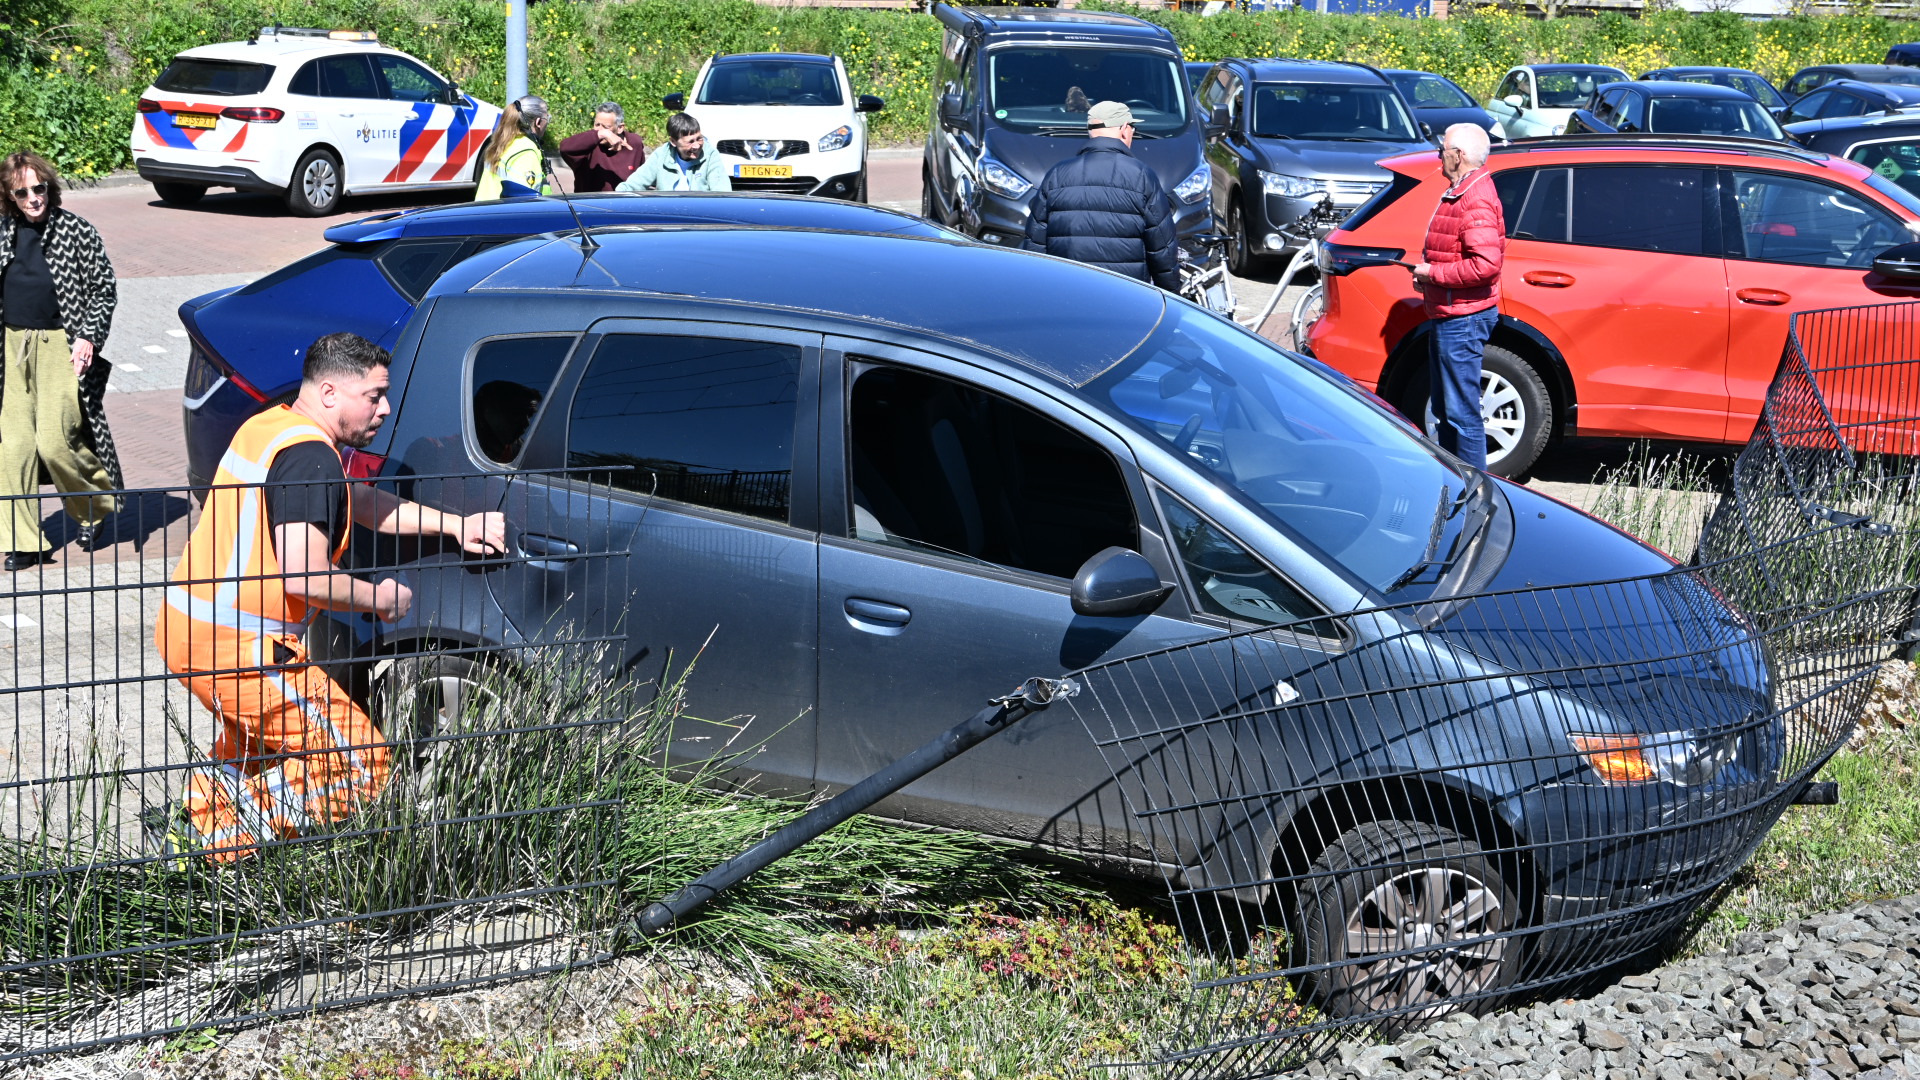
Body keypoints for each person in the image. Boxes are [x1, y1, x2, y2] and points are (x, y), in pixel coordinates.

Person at [153, 332, 506, 862]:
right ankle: (215, 845)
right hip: (243, 648)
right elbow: (305, 576)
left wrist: (456, 526)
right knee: (362, 764)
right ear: (330, 393)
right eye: (374, 396)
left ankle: (194, 834)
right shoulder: (309, 457)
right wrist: (378, 599)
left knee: (249, 752)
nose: (385, 409)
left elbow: (357, 502)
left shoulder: (272, 427)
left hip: (192, 629)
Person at [0, 150, 123, 570]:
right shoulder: (2, 232)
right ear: (10, 196)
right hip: (10, 350)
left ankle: (94, 508)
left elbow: (104, 290)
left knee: (56, 442)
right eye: (23, 191)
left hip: (61, 348)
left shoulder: (76, 232)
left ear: (50, 187)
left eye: (39, 188)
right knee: (13, 449)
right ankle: (24, 540)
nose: (33, 197)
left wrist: (88, 336)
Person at [1411, 122, 1504, 472]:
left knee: (1461, 414)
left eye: (1443, 149)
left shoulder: (1475, 197)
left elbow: (1485, 266)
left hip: (1462, 318)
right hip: (1452, 312)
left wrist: (1434, 274)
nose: (1439, 154)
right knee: (1447, 411)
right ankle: (1457, 482)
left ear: (1459, 155)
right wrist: (1432, 278)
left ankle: (1476, 492)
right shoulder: (1463, 190)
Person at [1021, 100, 1178, 292]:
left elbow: (1035, 242)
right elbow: (1162, 246)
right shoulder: (1141, 175)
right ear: (1124, 129)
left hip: (1066, 290)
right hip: (1127, 293)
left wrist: (1036, 291)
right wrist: (1171, 294)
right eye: (1133, 128)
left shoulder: (1057, 174)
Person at [616, 113, 731, 193]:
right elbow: (634, 184)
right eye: (690, 142)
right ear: (673, 142)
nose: (696, 145)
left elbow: (722, 193)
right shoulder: (661, 155)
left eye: (699, 138)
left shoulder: (710, 154)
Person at [475, 95, 551, 200]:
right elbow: (525, 202)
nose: (547, 123)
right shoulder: (526, 153)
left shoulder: (504, 142)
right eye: (548, 118)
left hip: (486, 211)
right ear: (538, 122)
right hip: (502, 214)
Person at [558, 101, 645, 193]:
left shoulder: (635, 143)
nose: (599, 130)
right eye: (597, 125)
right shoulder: (588, 143)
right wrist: (601, 134)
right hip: (590, 204)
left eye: (606, 127)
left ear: (620, 128)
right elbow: (565, 148)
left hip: (624, 203)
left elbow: (643, 179)